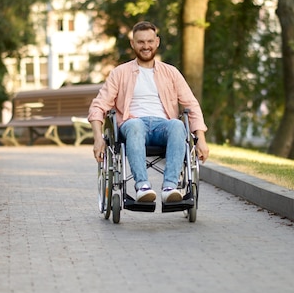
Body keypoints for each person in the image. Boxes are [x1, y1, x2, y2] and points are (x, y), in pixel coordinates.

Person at [88, 21, 210, 203]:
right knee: (135, 124)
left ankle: (170, 187)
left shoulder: (171, 73)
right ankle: (142, 186)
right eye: (141, 42)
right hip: (133, 124)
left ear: (157, 42)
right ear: (133, 44)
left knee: (177, 125)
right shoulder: (119, 73)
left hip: (164, 126)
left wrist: (201, 139)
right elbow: (98, 106)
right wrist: (98, 139)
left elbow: (191, 105)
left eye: (150, 41)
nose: (146, 46)